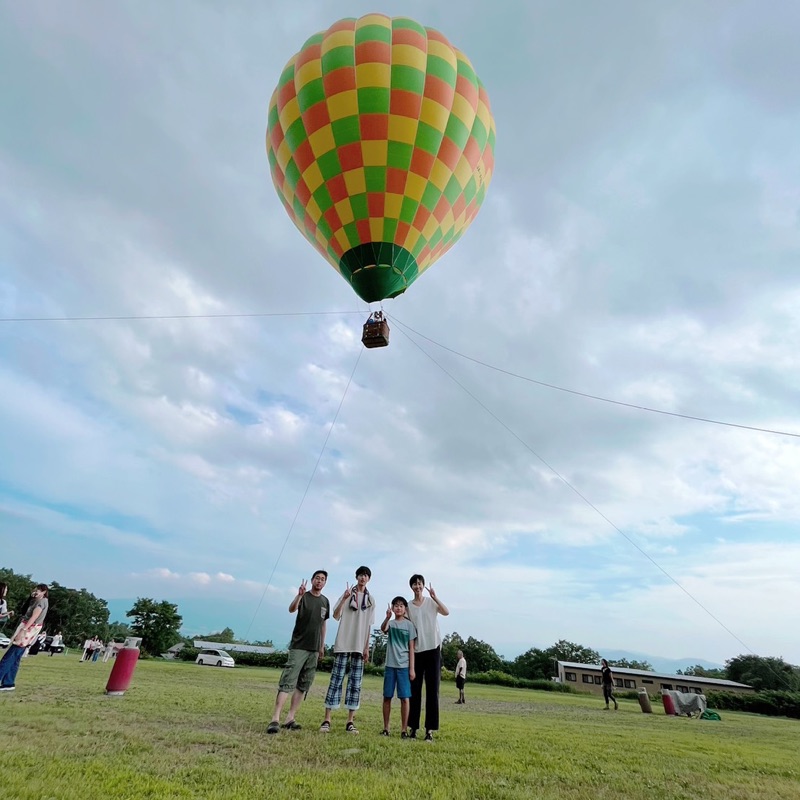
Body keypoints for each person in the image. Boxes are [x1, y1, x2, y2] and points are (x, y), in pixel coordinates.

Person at [267, 570, 330, 734]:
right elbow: (291, 609)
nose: (319, 581)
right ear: (312, 580)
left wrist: (322, 645)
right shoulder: (304, 597)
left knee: (304, 684)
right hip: (299, 646)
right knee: (288, 680)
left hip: (314, 648)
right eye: (317, 578)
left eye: (323, 579)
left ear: (325, 583)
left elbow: (323, 624)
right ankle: (275, 718)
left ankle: (290, 718)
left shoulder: (325, 601)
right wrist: (299, 595)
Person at [319, 566, 375, 734]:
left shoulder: (370, 599)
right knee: (336, 680)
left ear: (369, 579)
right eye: (360, 575)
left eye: (366, 576)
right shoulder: (347, 594)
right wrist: (344, 599)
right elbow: (335, 615)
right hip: (344, 642)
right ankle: (327, 719)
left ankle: (350, 721)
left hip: (359, 645)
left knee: (355, 684)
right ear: (356, 577)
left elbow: (369, 625)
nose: (363, 578)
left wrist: (367, 647)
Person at [406, 574, 449, 742]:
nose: (417, 586)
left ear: (423, 586)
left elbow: (446, 612)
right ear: (411, 587)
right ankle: (413, 728)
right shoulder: (409, 606)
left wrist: (435, 596)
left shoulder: (431, 602)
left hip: (433, 649)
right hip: (417, 651)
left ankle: (429, 730)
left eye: (419, 584)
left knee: (432, 691)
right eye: (414, 584)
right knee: (414, 691)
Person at [0, 584, 49, 691]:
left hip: (28, 630)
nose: (36, 592)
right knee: (15, 658)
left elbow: (34, 617)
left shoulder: (41, 602)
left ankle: (6, 681)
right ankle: (8, 683)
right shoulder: (36, 600)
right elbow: (24, 610)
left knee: (9, 657)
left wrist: (23, 630)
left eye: (38, 591)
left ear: (44, 592)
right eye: (35, 590)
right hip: (29, 629)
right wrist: (31, 597)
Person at [380, 596, 416, 737]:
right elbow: (383, 629)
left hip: (404, 666)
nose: (398, 608)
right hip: (390, 665)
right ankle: (386, 728)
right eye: (396, 605)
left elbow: (411, 648)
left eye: (401, 605)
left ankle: (403, 729)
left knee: (405, 698)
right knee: (387, 697)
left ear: (405, 609)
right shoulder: (392, 624)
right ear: (393, 608)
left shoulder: (409, 626)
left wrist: (412, 669)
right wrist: (387, 617)